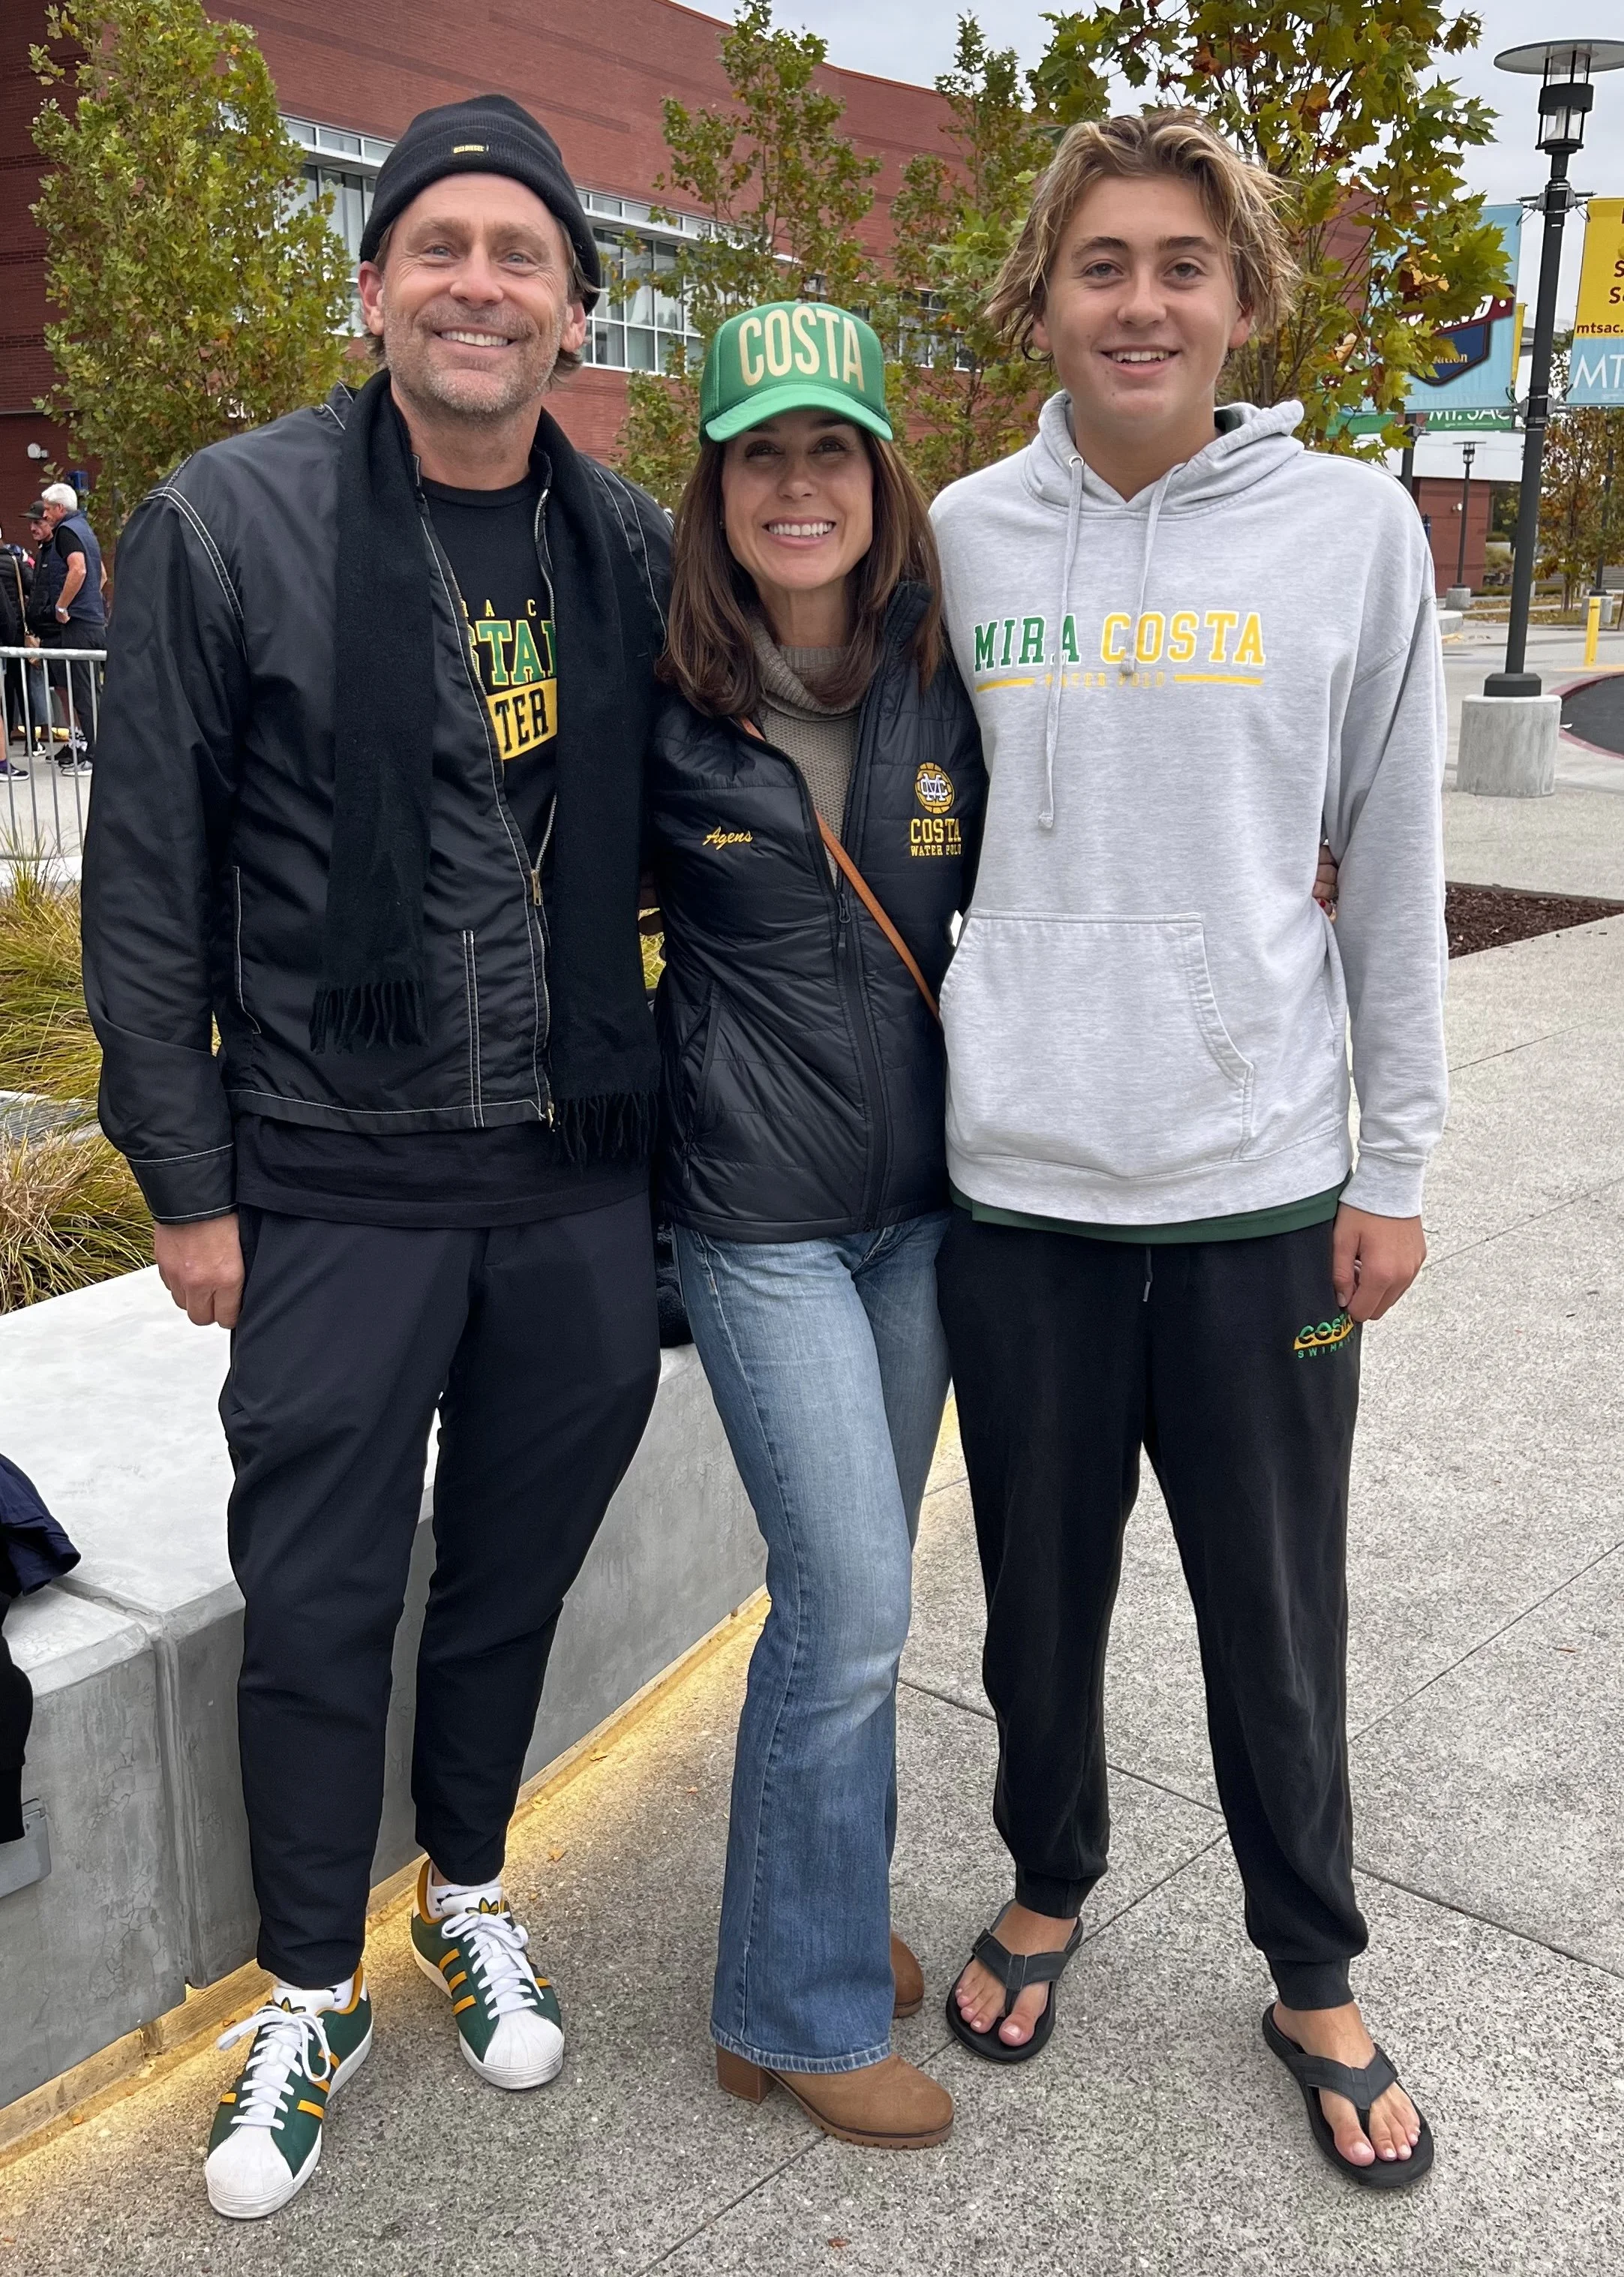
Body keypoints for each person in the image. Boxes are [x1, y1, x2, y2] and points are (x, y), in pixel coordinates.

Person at [82, 94, 671, 2221]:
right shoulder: (222, 525)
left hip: (576, 1176)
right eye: (440, 246)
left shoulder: (627, 546)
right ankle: (309, 1982)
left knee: (508, 1579)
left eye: (522, 253)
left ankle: (471, 1882)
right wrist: (183, 1176)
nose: (479, 282)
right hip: (330, 1172)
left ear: (577, 311)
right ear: (372, 285)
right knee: (319, 1600)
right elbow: (142, 886)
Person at [930, 111, 1445, 2191]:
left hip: (1253, 1191)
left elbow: (1394, 863)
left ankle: (1306, 1960)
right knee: (1030, 1605)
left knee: (1271, 1607)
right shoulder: (957, 531)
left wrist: (1387, 1158)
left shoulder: (1349, 533)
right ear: (1040, 299)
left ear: (1242, 297)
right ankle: (1046, 1875)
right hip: (1019, 1187)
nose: (1137, 300)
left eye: (1178, 264)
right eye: (1097, 264)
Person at [645, 302, 986, 2149]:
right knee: (850, 1598)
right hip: (760, 1221)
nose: (798, 482)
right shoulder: (665, 692)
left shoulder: (945, 671)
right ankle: (793, 2003)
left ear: (876, 475)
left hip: (920, 1217)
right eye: (761, 450)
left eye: (828, 448)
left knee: (850, 1608)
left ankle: (810, 1915)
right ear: (717, 484)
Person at [36, 482, 105, 771]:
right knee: (95, 691)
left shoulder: (66, 532)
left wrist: (62, 606)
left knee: (83, 692)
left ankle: (94, 757)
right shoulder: (85, 530)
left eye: (48, 509)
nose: (46, 514)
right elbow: (101, 575)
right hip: (94, 620)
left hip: (77, 623)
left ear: (60, 509)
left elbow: (79, 569)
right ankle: (103, 751)